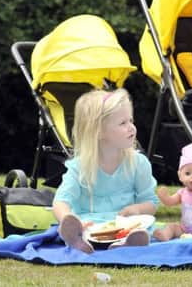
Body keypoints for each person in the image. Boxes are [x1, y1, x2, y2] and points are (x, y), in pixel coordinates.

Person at [53, 88, 159, 253]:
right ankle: (79, 241)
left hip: (125, 226)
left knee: (140, 230)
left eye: (131, 120)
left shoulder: (138, 163)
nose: (132, 127)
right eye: (123, 123)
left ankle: (124, 244)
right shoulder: (79, 167)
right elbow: (60, 201)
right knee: (75, 231)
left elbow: (151, 202)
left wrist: (137, 210)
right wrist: (68, 219)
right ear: (99, 132)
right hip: (89, 225)